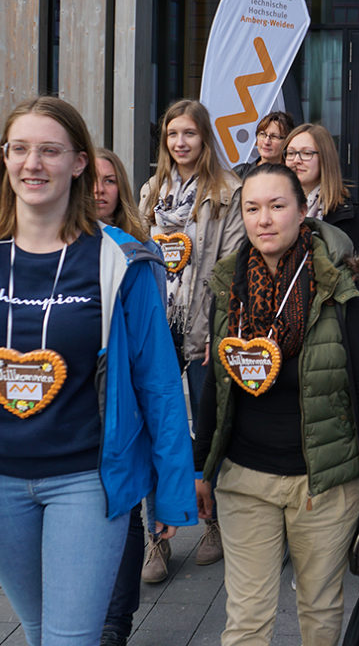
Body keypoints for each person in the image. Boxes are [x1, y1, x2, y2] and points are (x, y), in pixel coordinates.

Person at [0, 97, 196, 646]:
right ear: (4, 160)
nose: (33, 163)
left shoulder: (123, 261)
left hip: (88, 483)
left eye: (49, 150)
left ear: (78, 162)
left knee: (71, 639)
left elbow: (160, 387)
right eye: (20, 149)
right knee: (39, 631)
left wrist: (170, 493)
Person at [194, 163, 359, 646]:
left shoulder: (343, 292)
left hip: (323, 484)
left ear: (303, 213)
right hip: (244, 480)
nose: (264, 219)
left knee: (320, 610)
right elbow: (214, 384)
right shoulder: (229, 287)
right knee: (246, 620)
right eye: (252, 208)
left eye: (277, 206)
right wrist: (200, 468)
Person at [139, 99, 245, 572]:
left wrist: (212, 334)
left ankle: (214, 521)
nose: (180, 143)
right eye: (172, 134)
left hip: (202, 330)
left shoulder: (228, 192)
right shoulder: (151, 192)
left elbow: (229, 270)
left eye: (189, 134)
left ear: (205, 137)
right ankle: (156, 537)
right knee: (156, 431)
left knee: (209, 433)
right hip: (154, 327)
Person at [95, 148, 168, 646]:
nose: (98, 190)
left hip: (125, 401)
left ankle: (115, 625)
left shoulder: (140, 251)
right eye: (91, 181)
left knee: (123, 511)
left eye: (108, 181)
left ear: (121, 188)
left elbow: (149, 340)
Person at [284, 123, 359, 255]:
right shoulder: (274, 208)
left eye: (306, 153)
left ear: (325, 159)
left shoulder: (349, 217)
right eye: (291, 153)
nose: (296, 160)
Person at [234, 110, 294, 179]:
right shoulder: (240, 173)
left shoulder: (293, 176)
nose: (266, 142)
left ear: (287, 141)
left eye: (274, 136)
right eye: (262, 134)